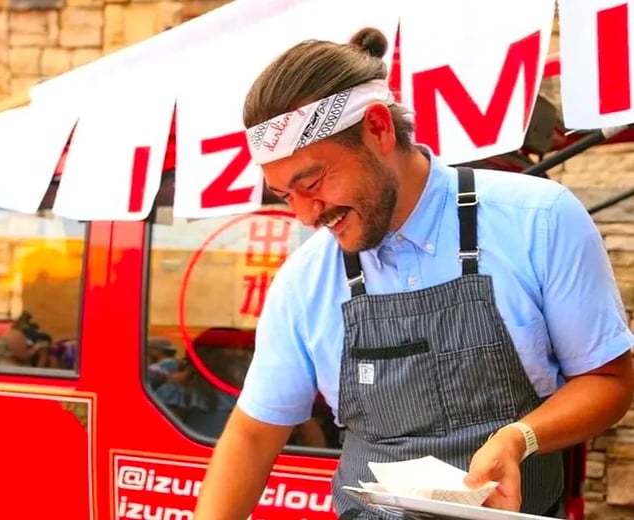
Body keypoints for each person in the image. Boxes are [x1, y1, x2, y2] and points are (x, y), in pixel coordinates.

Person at [193, 27, 634, 520]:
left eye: (312, 182)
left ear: (378, 129)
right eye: (284, 196)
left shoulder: (539, 219)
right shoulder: (303, 284)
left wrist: (520, 436)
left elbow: (609, 380)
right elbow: (253, 436)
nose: (305, 215)